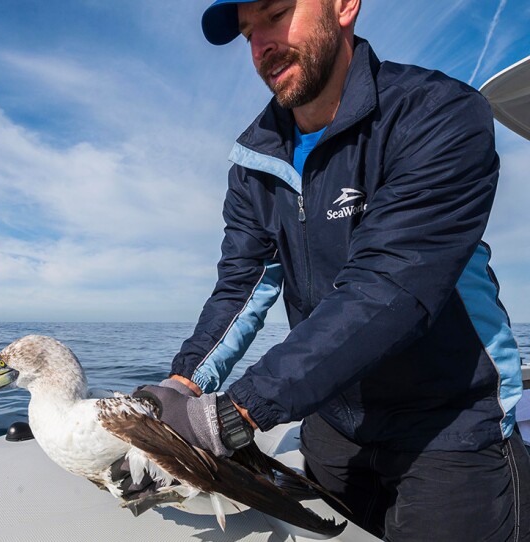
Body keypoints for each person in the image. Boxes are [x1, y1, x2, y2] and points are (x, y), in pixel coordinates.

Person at [130, 0, 530, 539]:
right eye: (248, 31)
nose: (260, 45)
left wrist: (238, 411)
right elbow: (241, 290)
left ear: (344, 6)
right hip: (333, 427)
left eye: (274, 14)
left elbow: (391, 284)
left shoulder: (437, 113)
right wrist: (183, 385)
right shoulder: (254, 165)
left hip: (451, 428)